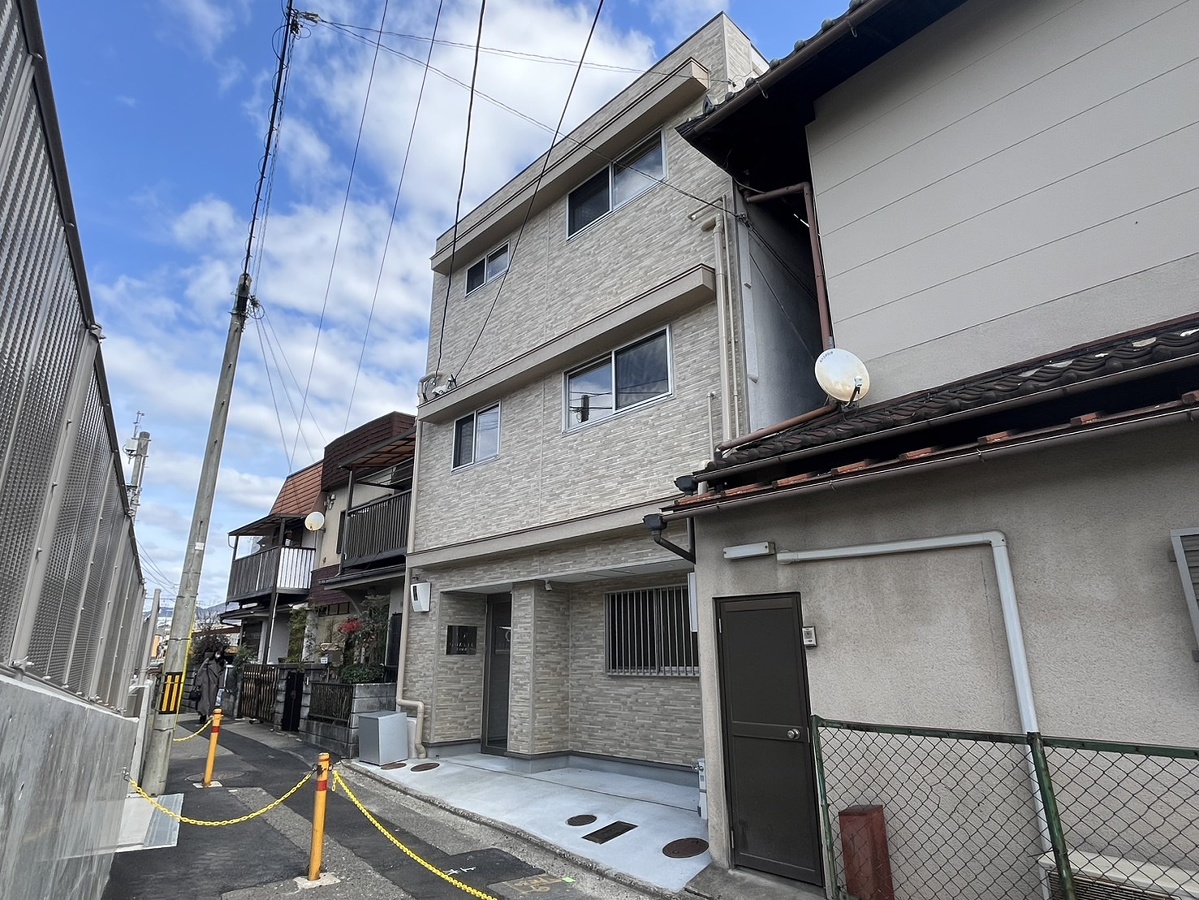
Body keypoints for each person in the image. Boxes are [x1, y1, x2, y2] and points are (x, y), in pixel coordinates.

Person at [194, 651, 223, 724]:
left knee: (211, 701)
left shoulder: (222, 663)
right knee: (204, 700)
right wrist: (198, 683)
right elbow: (201, 671)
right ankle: (203, 715)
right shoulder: (208, 661)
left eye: (219, 654)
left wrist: (221, 685)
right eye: (217, 653)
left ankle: (208, 714)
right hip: (206, 683)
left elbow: (222, 675)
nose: (218, 655)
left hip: (214, 685)